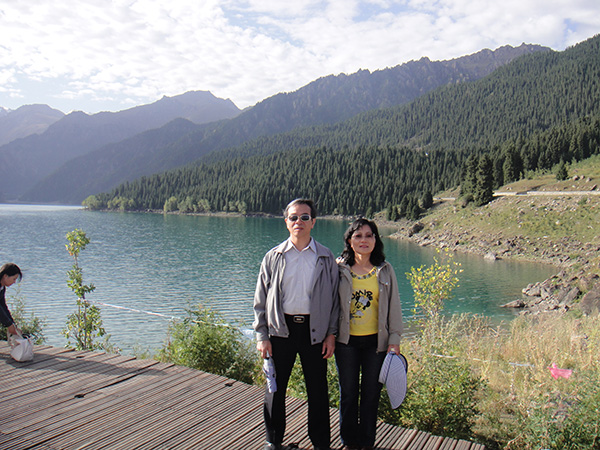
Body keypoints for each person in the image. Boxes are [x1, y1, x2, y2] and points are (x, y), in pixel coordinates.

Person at [253, 198, 340, 450]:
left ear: (313, 222)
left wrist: (331, 334)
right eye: (293, 217)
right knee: (275, 389)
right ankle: (273, 441)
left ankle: (321, 444)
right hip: (280, 330)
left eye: (304, 217)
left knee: (318, 391)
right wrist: (262, 336)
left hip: (315, 332)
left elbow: (335, 300)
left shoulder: (325, 256)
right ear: (286, 222)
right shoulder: (273, 256)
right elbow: (260, 300)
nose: (298, 221)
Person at [336, 218, 403, 450]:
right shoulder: (339, 268)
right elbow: (329, 304)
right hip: (346, 343)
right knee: (348, 393)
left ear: (376, 240)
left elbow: (394, 307)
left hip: (377, 344)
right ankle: (348, 441)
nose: (363, 240)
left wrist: (394, 339)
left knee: (371, 394)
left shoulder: (385, 270)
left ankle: (366, 443)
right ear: (349, 240)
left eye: (369, 235)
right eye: (358, 236)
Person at [0, 263, 23, 337]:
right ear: (5, 276)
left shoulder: (2, 288)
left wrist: (13, 325)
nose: (14, 282)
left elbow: (3, 306)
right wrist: (9, 324)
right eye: (14, 279)